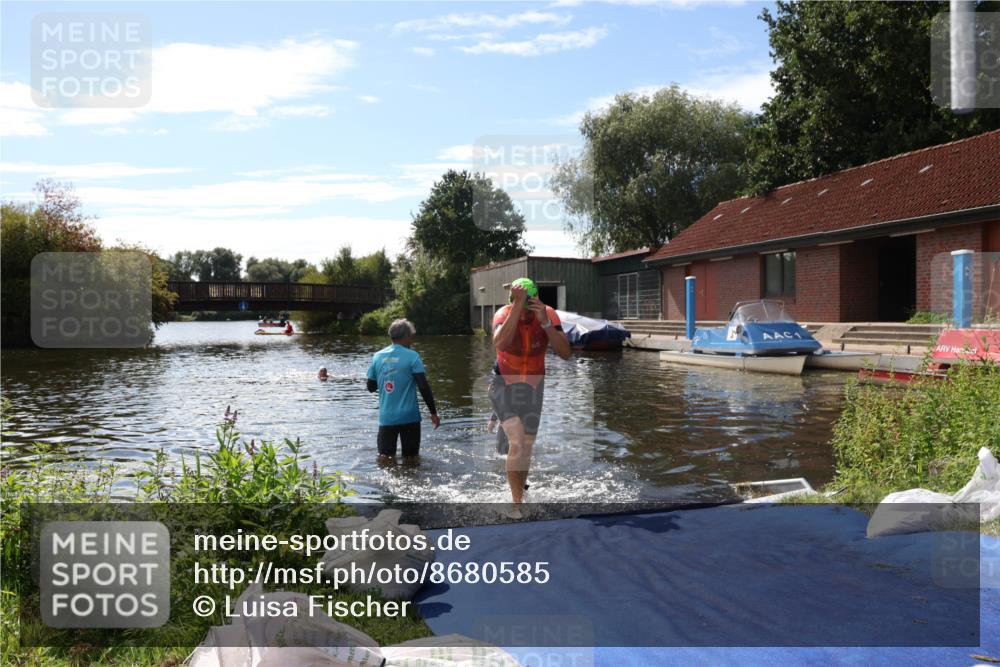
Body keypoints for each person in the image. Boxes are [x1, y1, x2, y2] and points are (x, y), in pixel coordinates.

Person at [490, 277, 571, 517]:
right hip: (503, 382)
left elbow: (565, 353)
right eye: (519, 306)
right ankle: (516, 506)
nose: (525, 315)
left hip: (534, 386)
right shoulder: (504, 314)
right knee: (516, 439)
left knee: (526, 445)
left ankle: (520, 492)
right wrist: (517, 307)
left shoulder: (548, 314)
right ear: (512, 302)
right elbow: (500, 343)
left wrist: (545, 323)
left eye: (528, 308)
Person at [366, 318, 440, 464]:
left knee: (385, 459)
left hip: (387, 418)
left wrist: (385, 376)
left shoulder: (377, 356)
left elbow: (370, 387)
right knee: (411, 460)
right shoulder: (412, 356)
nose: (411, 339)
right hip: (409, 418)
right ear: (406, 336)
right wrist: (433, 413)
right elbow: (423, 387)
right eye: (411, 335)